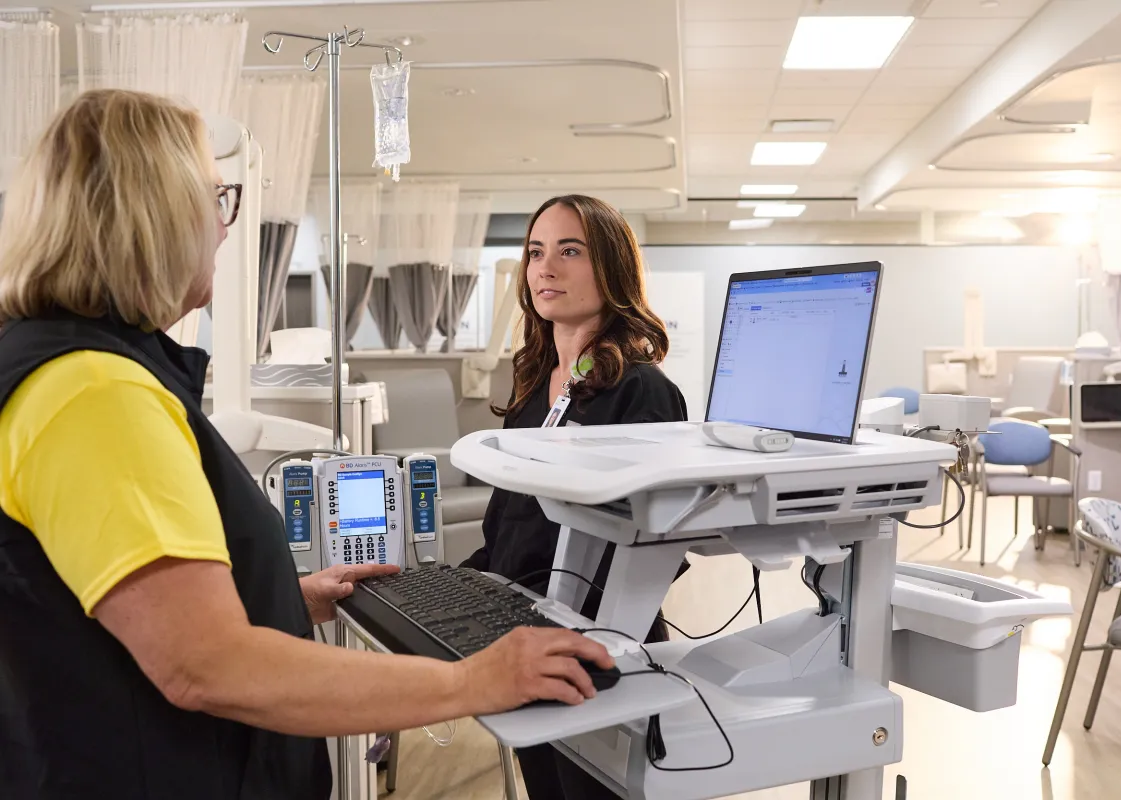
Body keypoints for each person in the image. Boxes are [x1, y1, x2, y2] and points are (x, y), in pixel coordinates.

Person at [0, 89, 612, 800]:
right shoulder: (94, 394)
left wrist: (282, 600)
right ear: (155, 215)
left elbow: (132, 610)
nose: (223, 227)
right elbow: (207, 665)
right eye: (216, 199)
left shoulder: (72, 371)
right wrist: (471, 681)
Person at [462, 194, 688, 799]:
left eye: (569, 251)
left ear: (611, 267)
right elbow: (509, 523)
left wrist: (561, 625)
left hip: (597, 651)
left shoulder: (641, 392)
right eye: (535, 252)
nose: (545, 268)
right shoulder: (535, 383)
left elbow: (653, 545)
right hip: (523, 636)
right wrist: (458, 588)